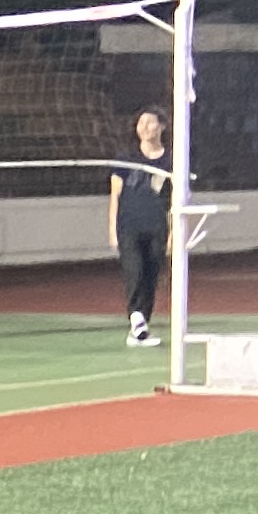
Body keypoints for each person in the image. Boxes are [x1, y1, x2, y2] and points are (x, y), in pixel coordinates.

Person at [109, 108, 175, 347]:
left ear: (162, 126)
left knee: (150, 276)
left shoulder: (171, 161)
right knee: (134, 272)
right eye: (140, 123)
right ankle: (136, 319)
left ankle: (140, 326)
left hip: (157, 226)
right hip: (129, 225)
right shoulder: (126, 158)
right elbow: (115, 195)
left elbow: (175, 200)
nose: (144, 127)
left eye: (150, 122)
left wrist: (173, 233)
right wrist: (112, 229)